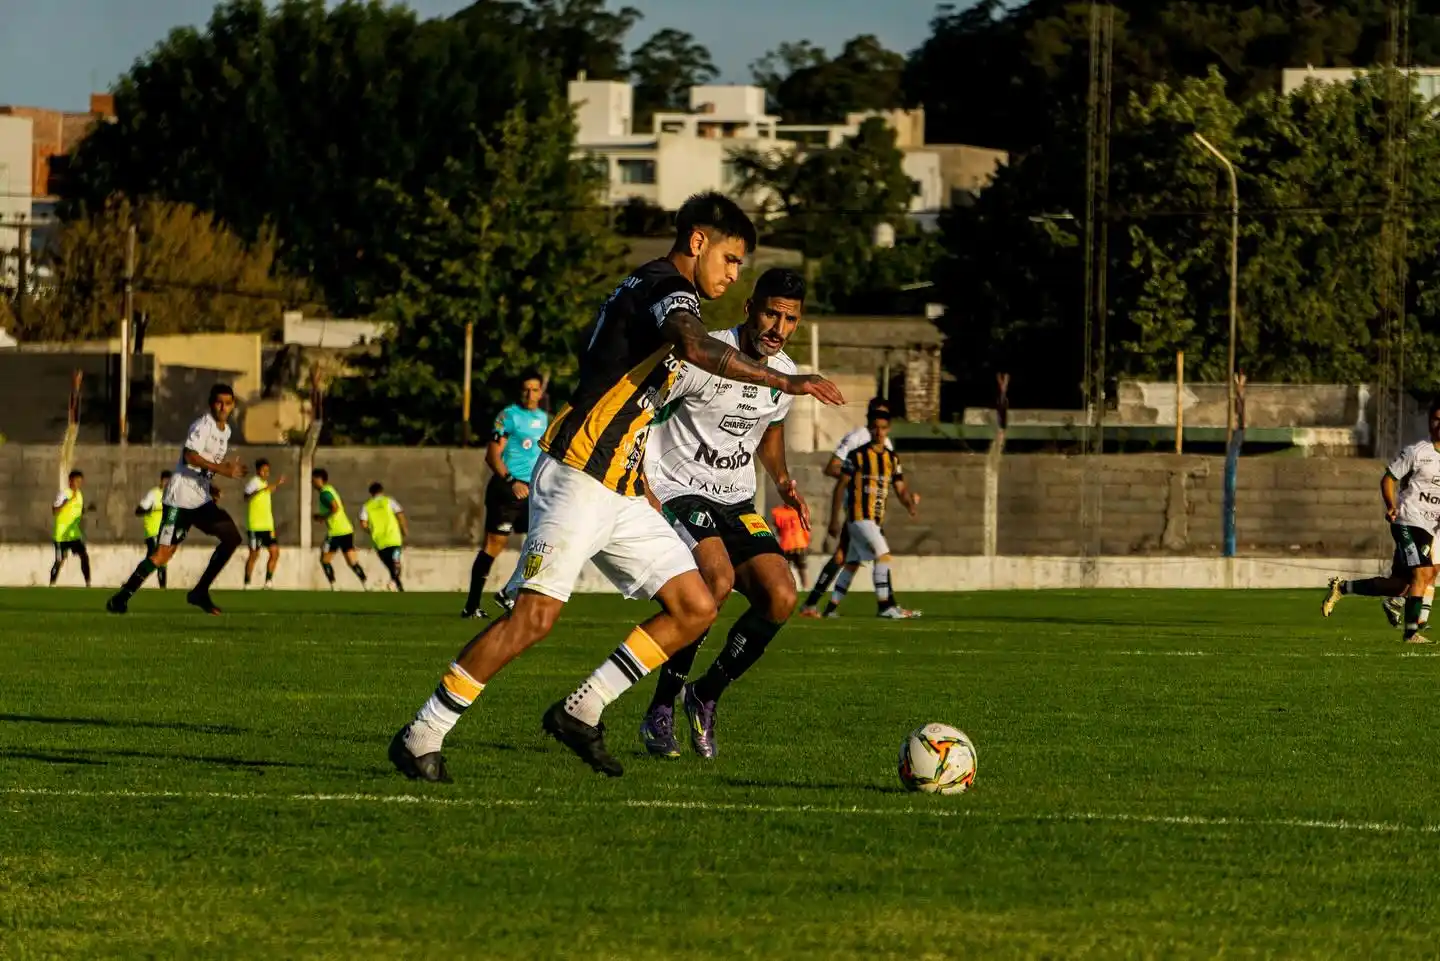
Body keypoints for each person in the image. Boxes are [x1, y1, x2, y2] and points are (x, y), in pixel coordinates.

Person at [387, 191, 843, 783]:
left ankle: (583, 709)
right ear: (698, 242)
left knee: (697, 604)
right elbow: (694, 346)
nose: (733, 275)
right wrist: (791, 380)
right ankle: (422, 733)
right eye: (731, 259)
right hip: (579, 474)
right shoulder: (664, 286)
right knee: (533, 620)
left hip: (621, 485)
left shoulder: (655, 291)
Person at [636, 267, 813, 759]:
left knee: (781, 595)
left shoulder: (788, 373)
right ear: (748, 310)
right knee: (713, 584)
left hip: (735, 497)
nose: (778, 327)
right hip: (677, 488)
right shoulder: (702, 354)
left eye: (789, 318)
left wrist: (782, 482)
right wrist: (643, 484)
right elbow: (641, 411)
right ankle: (661, 707)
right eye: (770, 313)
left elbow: (769, 432)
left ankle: (705, 693)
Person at [107, 383, 248, 615]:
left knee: (232, 537)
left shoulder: (226, 432)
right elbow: (189, 455)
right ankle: (121, 598)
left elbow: (201, 465)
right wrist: (223, 470)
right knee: (162, 555)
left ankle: (199, 592)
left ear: (233, 406)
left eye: (228, 403)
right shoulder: (203, 426)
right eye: (219, 402)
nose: (223, 407)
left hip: (200, 498)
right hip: (180, 499)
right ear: (211, 404)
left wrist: (210, 485)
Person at [1323, 398, 1440, 643]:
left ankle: (1343, 588)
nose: (1439, 424)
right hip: (1408, 520)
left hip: (1430, 526)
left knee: (1400, 586)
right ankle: (1411, 633)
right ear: (1430, 423)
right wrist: (1391, 506)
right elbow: (1388, 479)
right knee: (1423, 572)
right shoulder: (1417, 452)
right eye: (1436, 419)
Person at [819, 410, 922, 619]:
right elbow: (840, 487)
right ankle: (885, 607)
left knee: (852, 563)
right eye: (875, 427)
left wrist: (910, 503)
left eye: (883, 428)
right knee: (883, 556)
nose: (879, 432)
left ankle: (830, 609)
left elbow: (900, 488)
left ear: (888, 429)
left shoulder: (892, 458)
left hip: (874, 519)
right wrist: (833, 519)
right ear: (870, 429)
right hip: (859, 516)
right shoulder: (857, 455)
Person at [462, 372, 549, 618]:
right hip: (507, 489)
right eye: (526, 390)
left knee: (542, 543)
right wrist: (511, 481)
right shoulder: (508, 416)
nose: (530, 394)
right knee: (494, 545)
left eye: (534, 390)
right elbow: (492, 455)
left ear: (541, 393)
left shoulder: (544, 419)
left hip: (533, 491)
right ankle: (471, 606)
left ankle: (510, 593)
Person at [799, 398, 895, 616]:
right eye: (877, 416)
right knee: (879, 551)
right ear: (870, 417)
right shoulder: (857, 438)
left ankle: (814, 604)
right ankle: (887, 605)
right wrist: (858, 477)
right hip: (857, 507)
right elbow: (832, 467)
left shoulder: (886, 444)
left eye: (886, 418)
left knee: (844, 557)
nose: (881, 424)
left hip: (873, 507)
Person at [312, 468, 368, 590]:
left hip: (335, 532)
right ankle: (366, 584)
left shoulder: (324, 493)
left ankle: (334, 585)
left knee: (324, 560)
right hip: (346, 530)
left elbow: (335, 507)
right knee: (352, 561)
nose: (312, 483)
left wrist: (322, 516)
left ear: (319, 480)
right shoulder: (330, 489)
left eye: (313, 480)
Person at [243, 459, 286, 590]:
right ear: (258, 471)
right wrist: (262, 490)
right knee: (254, 555)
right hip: (255, 526)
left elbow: (269, 489)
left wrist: (275, 485)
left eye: (268, 470)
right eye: (264, 470)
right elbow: (246, 497)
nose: (266, 473)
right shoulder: (253, 482)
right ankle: (247, 583)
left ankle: (268, 582)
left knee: (274, 553)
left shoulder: (265, 484)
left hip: (268, 526)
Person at [360, 482, 408, 592]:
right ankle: (394, 584)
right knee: (396, 563)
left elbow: (363, 524)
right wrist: (404, 528)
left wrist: (372, 532)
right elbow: (400, 514)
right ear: (382, 491)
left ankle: (398, 587)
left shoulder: (367, 506)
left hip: (379, 541)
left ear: (371, 493)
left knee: (390, 566)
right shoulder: (389, 501)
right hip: (393, 538)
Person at [50, 470, 91, 587]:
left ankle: (88, 583)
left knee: (84, 556)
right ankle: (51, 584)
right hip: (61, 535)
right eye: (76, 481)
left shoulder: (79, 495)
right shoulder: (64, 494)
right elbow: (54, 510)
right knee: (60, 560)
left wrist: (87, 509)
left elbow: (78, 511)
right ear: (70, 481)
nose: (78, 484)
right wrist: (66, 502)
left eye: (80, 482)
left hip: (74, 534)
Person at [135, 470, 172, 589]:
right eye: (165, 481)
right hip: (152, 532)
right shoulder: (153, 494)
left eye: (169, 481)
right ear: (161, 481)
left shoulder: (172, 497)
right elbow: (138, 511)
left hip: (165, 533)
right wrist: (148, 510)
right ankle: (134, 582)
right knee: (155, 557)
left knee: (159, 560)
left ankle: (162, 588)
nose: (166, 484)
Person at [771, 503, 810, 588]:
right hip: (789, 544)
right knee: (788, 569)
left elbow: (777, 528)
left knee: (801, 567)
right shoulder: (780, 512)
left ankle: (805, 587)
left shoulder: (800, 510)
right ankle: (794, 587)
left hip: (796, 543)